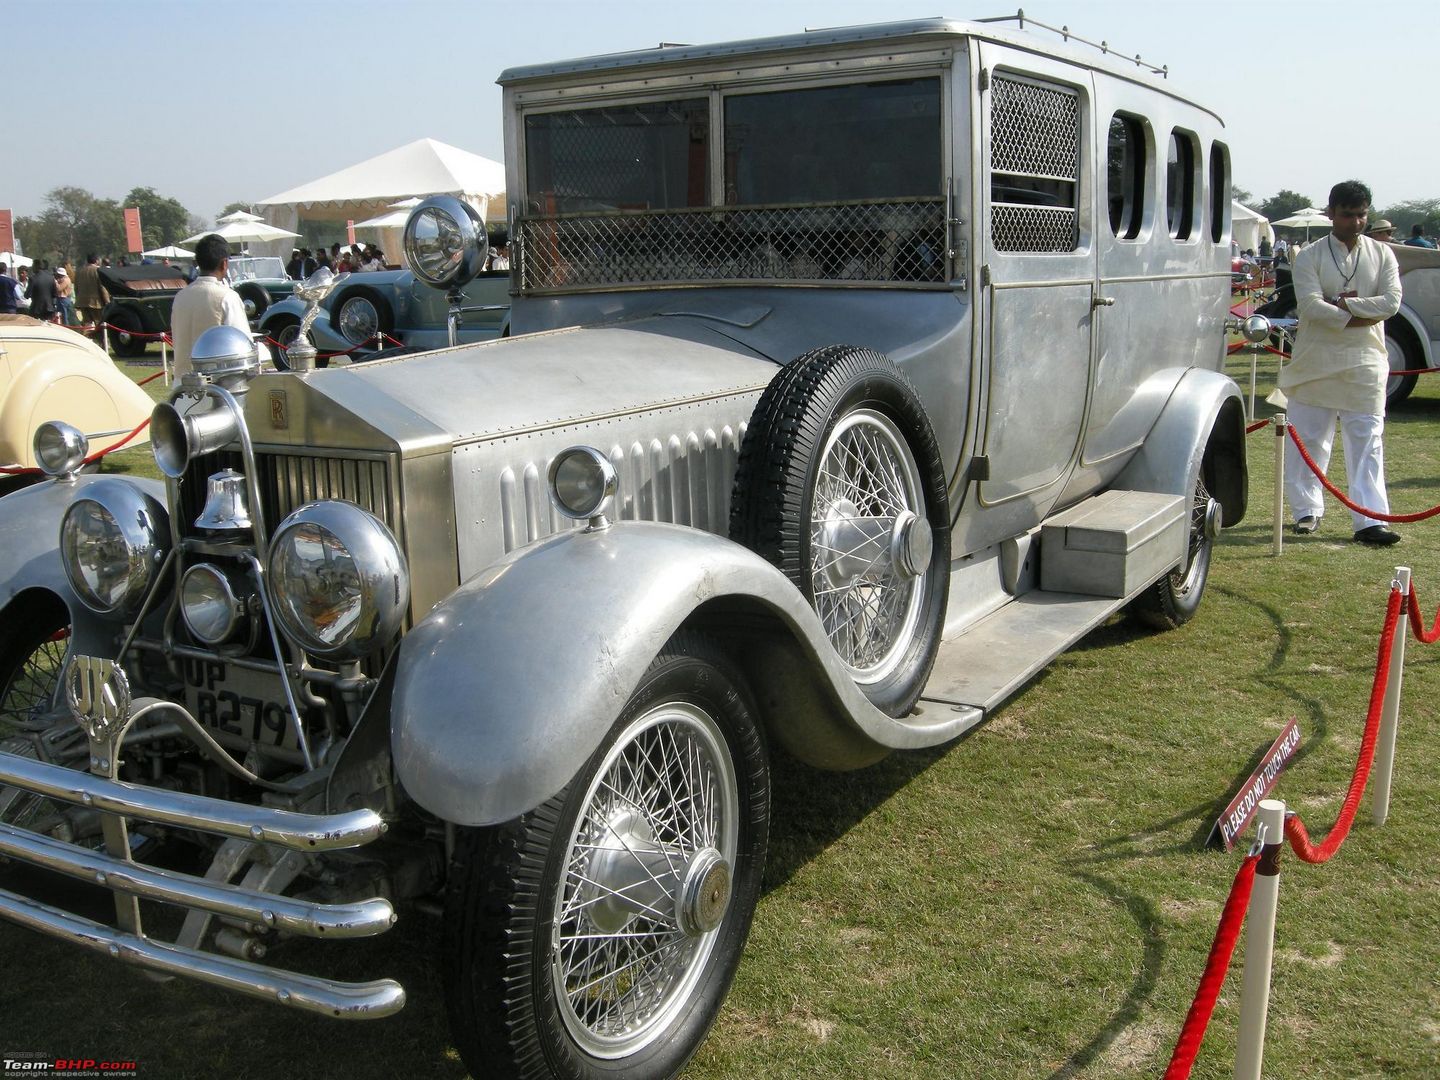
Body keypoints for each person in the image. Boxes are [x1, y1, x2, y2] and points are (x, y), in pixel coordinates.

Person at [1278, 180, 1403, 545]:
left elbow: (1392, 302)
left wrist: (1344, 304)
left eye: (1362, 215)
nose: (1357, 222)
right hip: (1315, 360)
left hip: (1365, 359)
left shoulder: (1383, 255)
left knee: (1367, 440)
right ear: (1330, 213)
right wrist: (1363, 310)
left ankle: (1369, 520)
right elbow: (1310, 307)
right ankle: (1306, 511)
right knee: (1311, 440)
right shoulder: (1310, 256)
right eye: (1348, 215)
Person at [169, 233, 250, 378]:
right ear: (224, 263)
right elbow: (242, 346)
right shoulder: (227, 297)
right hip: (216, 389)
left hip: (181, 387)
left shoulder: (180, 297)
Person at [75, 253, 108, 329]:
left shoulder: (79, 271)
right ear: (96, 260)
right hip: (96, 302)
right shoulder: (98, 270)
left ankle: (87, 338)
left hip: (82, 301)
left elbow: (76, 287)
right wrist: (107, 302)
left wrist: (78, 299)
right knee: (99, 323)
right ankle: (101, 339)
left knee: (87, 324)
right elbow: (102, 288)